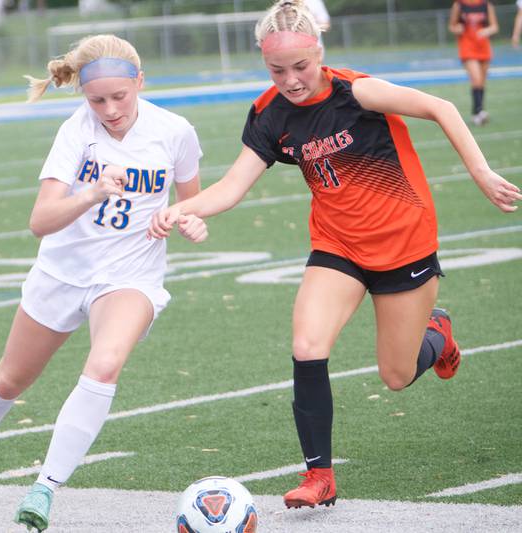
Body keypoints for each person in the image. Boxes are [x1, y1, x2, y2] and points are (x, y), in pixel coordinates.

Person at [149, 0, 520, 511]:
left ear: (319, 52)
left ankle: (437, 334)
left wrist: (480, 172)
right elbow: (234, 184)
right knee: (307, 345)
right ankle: (320, 475)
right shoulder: (268, 114)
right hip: (337, 246)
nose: (291, 80)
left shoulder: (356, 92)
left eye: (300, 66)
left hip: (403, 244)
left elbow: (442, 107)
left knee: (396, 375)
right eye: (277, 70)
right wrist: (183, 209)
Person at [0, 34, 208, 531]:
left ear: (140, 82)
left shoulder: (175, 131)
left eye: (119, 96)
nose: (109, 109)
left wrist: (188, 220)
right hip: (62, 273)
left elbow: (191, 199)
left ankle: (45, 489)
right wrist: (93, 192)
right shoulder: (75, 133)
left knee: (104, 365)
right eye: (96, 99)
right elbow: (40, 220)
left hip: (129, 276)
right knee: (11, 379)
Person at [448, 0, 499, 126]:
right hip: (467, 47)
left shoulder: (486, 4)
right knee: (476, 79)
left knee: (481, 82)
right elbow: (452, 26)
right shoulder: (459, 5)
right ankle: (479, 111)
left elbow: (494, 26)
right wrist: (457, 29)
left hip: (483, 47)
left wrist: (487, 31)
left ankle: (477, 112)